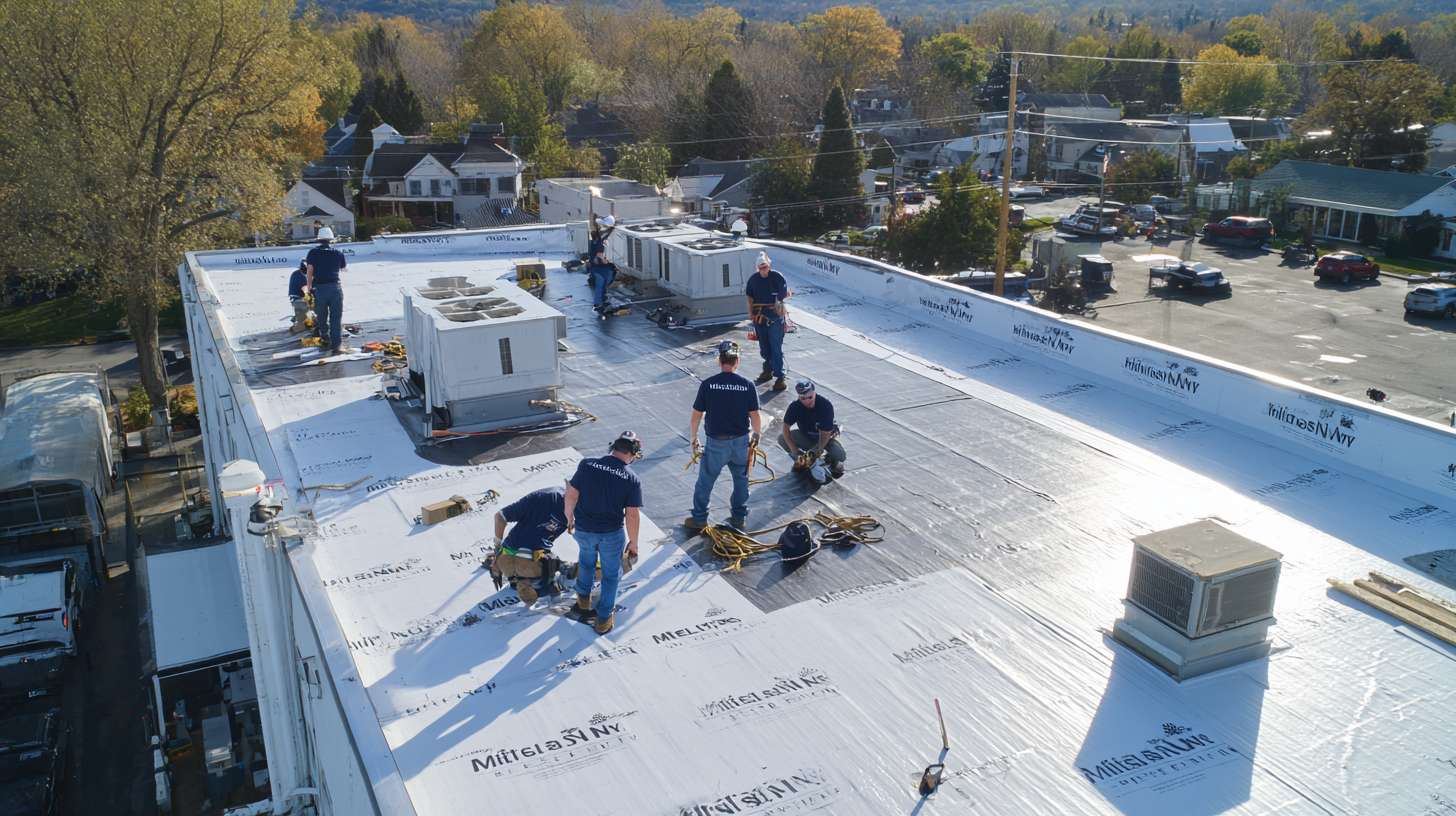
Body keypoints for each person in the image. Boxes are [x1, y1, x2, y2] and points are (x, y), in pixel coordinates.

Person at [565, 431, 643, 635]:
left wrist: (569, 518)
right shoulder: (631, 478)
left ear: (613, 447)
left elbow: (572, 494)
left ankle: (582, 600)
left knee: (586, 562)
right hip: (611, 535)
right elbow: (632, 514)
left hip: (583, 530)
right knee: (610, 576)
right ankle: (604, 619)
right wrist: (634, 542)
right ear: (633, 453)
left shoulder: (587, 464)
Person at [686, 340, 762, 531]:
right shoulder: (747, 385)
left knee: (705, 481)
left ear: (719, 360)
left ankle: (699, 519)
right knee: (741, 481)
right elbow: (755, 416)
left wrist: (693, 439)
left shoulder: (708, 385)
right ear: (737, 361)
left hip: (716, 444)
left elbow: (696, 416)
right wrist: (756, 435)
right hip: (740, 444)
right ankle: (738, 518)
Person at [487, 485, 569, 605]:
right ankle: (546, 583)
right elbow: (500, 517)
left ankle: (521, 579)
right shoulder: (543, 499)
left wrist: (497, 553)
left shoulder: (540, 497)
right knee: (548, 578)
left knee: (529, 573)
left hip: (506, 560)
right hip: (528, 563)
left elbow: (500, 517)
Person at [779, 379, 846, 479]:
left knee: (839, 455)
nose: (807, 401)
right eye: (803, 398)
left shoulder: (825, 406)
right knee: (782, 439)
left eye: (810, 397)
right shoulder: (795, 407)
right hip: (807, 437)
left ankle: (830, 460)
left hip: (826, 438)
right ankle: (803, 460)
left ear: (814, 393)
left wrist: (815, 453)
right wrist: (795, 451)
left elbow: (825, 434)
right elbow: (785, 428)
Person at [745, 251, 790, 391]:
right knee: (764, 348)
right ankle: (768, 370)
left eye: (765, 267)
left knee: (776, 348)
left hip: (775, 318)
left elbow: (781, 296)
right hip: (760, 318)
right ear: (757, 268)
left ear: (769, 265)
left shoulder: (777, 278)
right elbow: (750, 297)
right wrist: (751, 313)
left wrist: (780, 305)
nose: (763, 270)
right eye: (761, 268)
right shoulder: (753, 280)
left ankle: (780, 377)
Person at [304, 227, 347, 354]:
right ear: (331, 239)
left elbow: (310, 271)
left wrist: (309, 287)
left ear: (319, 239)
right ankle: (337, 346)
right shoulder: (338, 253)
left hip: (320, 288)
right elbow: (343, 268)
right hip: (335, 288)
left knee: (321, 316)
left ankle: (325, 337)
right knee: (336, 318)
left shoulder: (313, 252)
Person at [287, 261, 310, 334]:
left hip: (295, 300)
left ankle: (299, 320)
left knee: (309, 319)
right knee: (309, 323)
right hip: (300, 301)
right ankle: (297, 328)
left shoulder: (295, 273)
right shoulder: (302, 276)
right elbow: (306, 292)